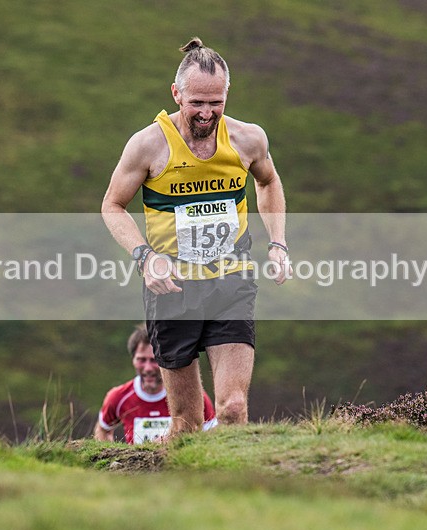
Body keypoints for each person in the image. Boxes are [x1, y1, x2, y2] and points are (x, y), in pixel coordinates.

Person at [101, 37, 290, 439]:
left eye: (216, 103)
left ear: (227, 95)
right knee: (185, 424)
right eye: (197, 103)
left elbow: (269, 181)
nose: (207, 113)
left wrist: (278, 242)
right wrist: (144, 256)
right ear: (176, 94)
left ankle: (235, 495)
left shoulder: (247, 139)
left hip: (231, 280)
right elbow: (112, 205)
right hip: (173, 289)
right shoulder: (148, 144)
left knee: (233, 409)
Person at [94, 324, 218, 444]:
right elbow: (102, 430)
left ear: (164, 359)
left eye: (154, 360)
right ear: (133, 360)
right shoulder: (118, 397)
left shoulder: (192, 397)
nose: (148, 368)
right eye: (141, 360)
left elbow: (212, 433)